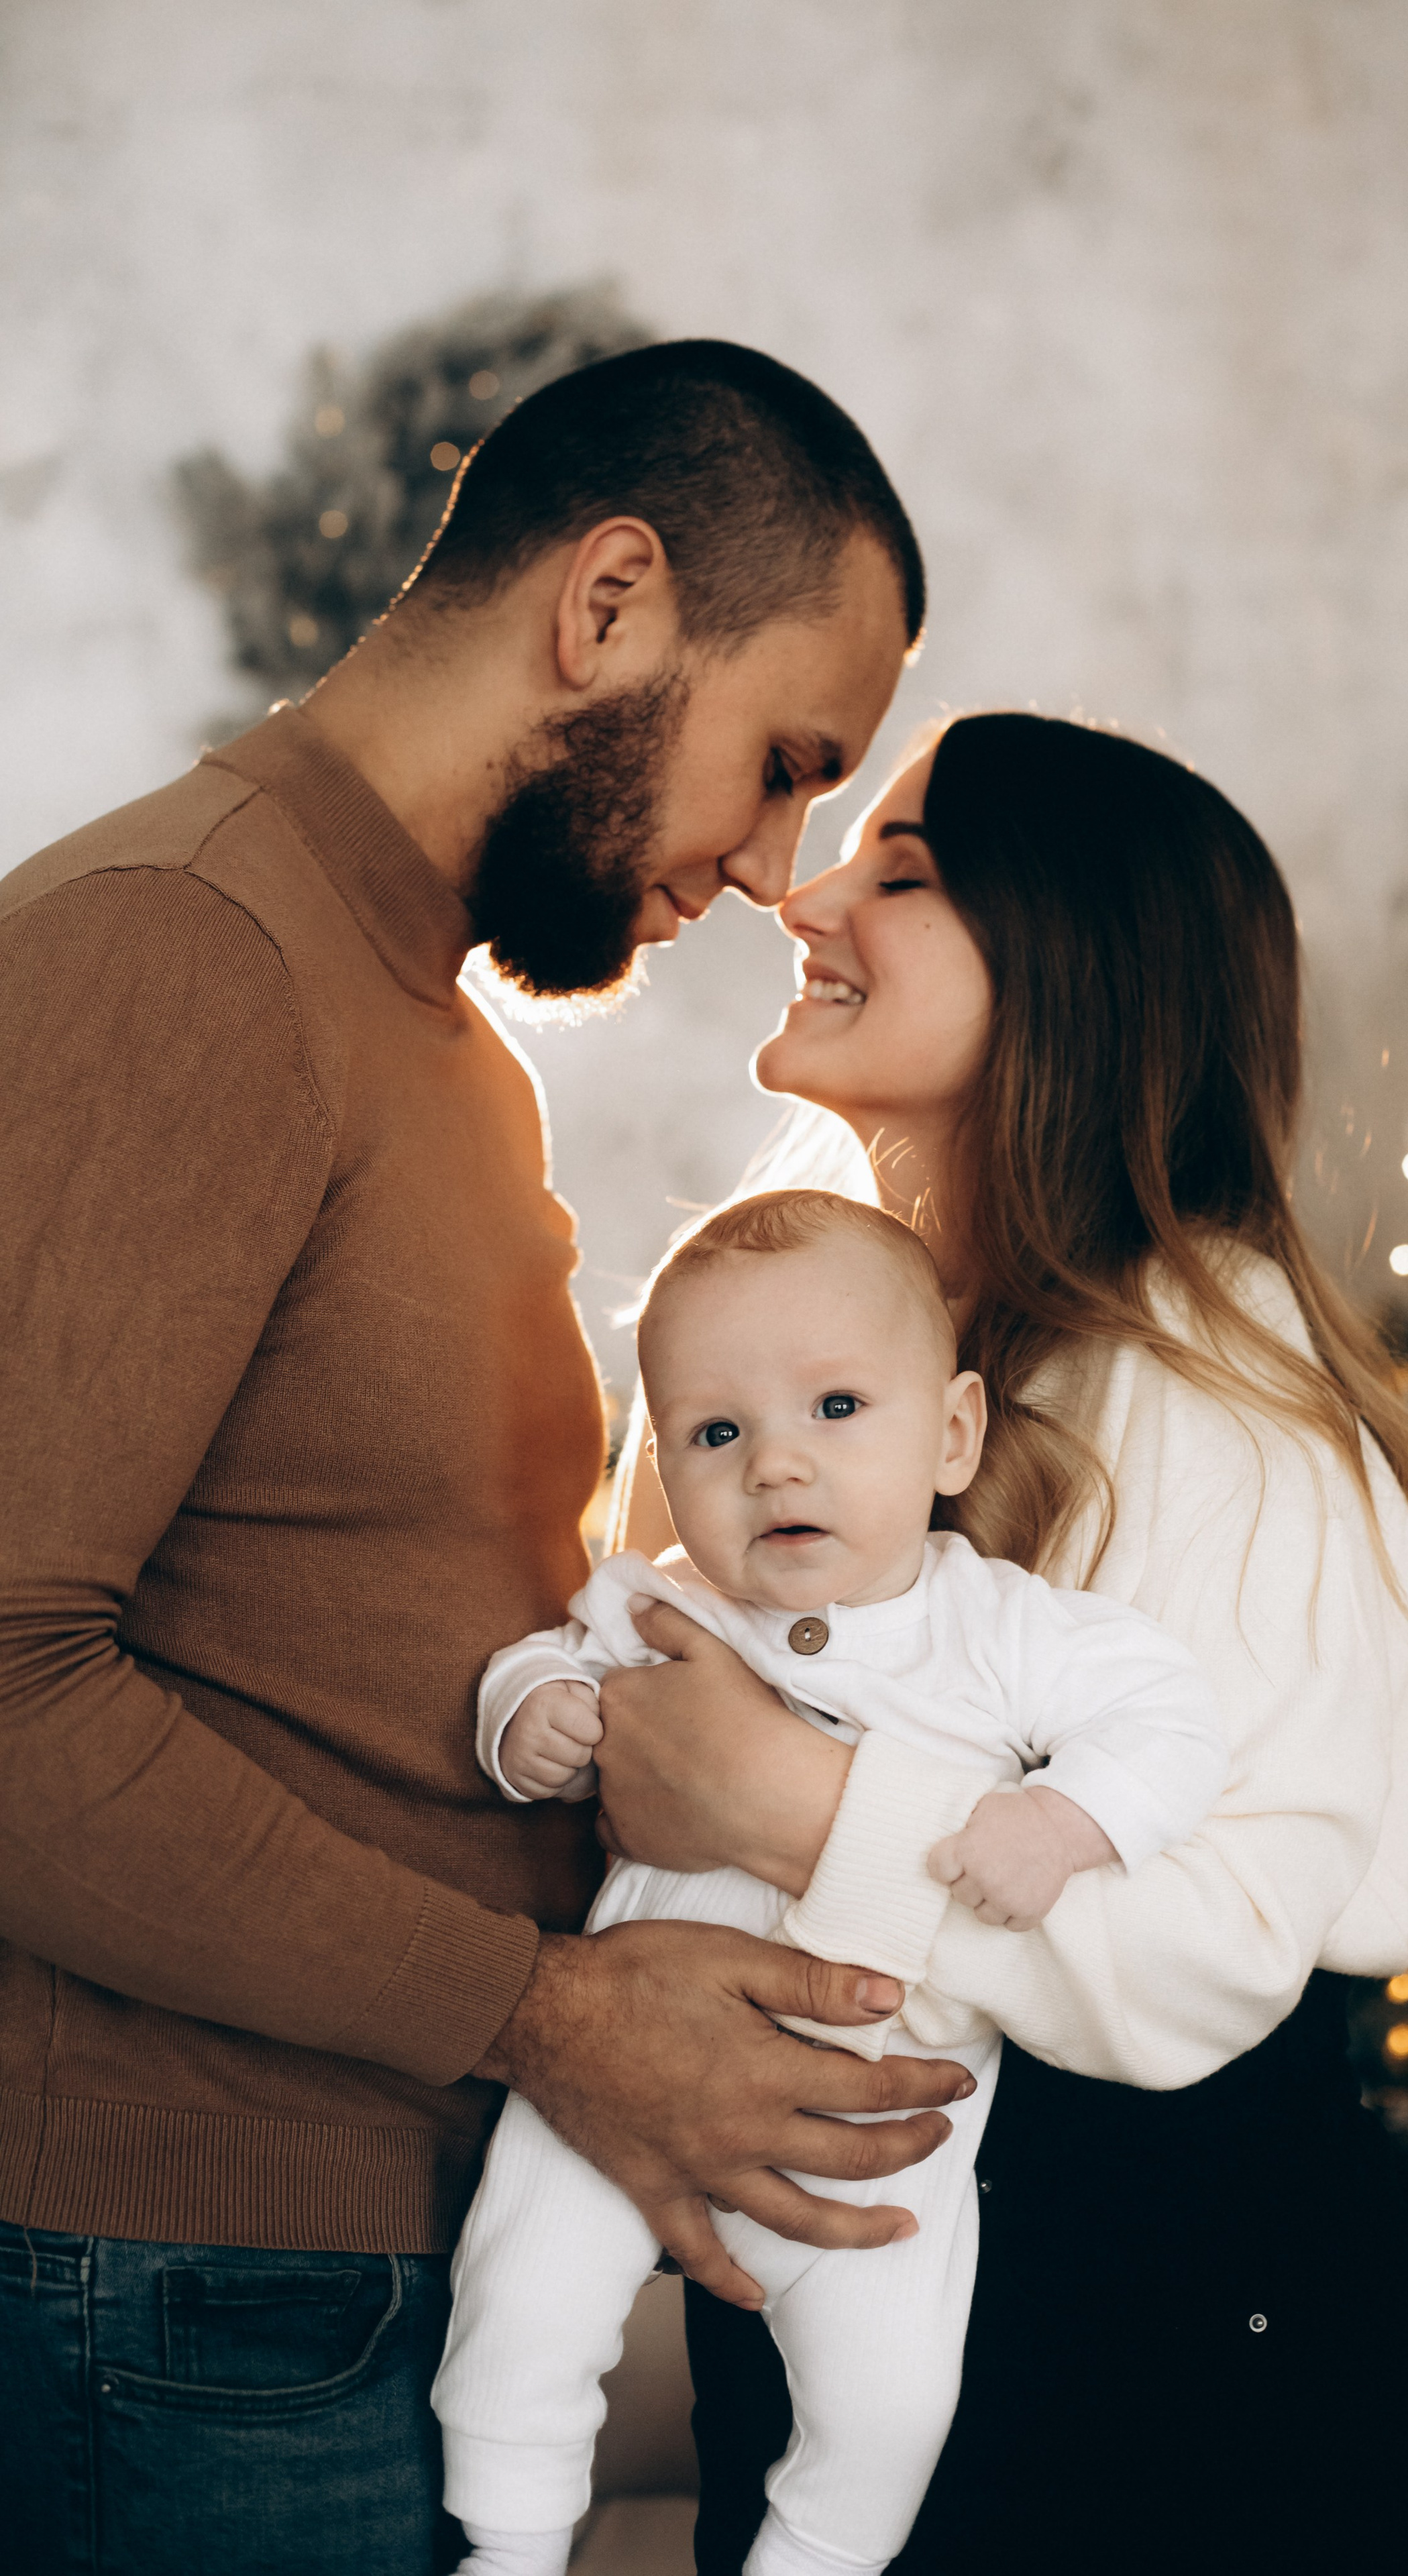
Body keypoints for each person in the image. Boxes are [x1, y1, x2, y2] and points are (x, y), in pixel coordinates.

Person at [0, 341, 976, 2576]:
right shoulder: (187, 948)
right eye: (785, 765)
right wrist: (545, 2013)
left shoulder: (431, 1037)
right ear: (610, 602)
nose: (770, 868)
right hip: (179, 2288)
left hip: (338, 2277)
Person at [592, 712, 1408, 2575]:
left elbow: (1199, 1961)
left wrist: (794, 1802)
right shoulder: (861, 1372)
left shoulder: (1217, 1412)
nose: (805, 891)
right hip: (897, 2298)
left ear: (1081, 969)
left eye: (901, 872)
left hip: (1152, 2359)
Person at [433, 1189, 1225, 2576]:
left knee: (892, 2400)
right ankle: (507, 2541)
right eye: (716, 1433)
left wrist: (1060, 1820)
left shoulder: (994, 1626)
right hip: (625, 2075)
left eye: (837, 1409)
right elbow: (539, 1659)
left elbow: (1171, 1725)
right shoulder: (662, 1603)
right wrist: (533, 1715)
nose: (776, 1469)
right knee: (518, 2291)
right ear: (662, 1457)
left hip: (881, 2122)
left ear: (954, 1433)